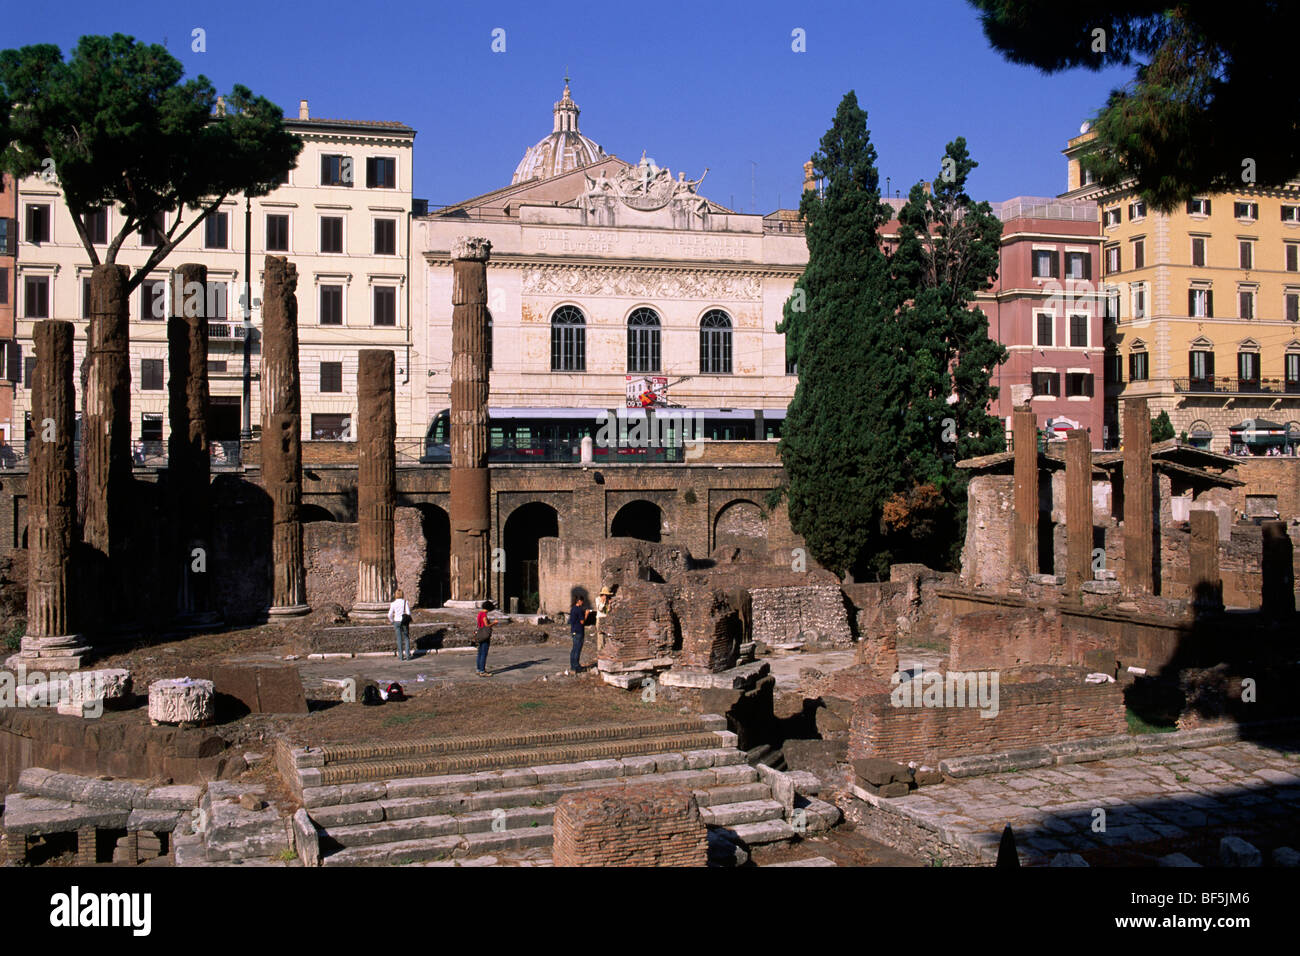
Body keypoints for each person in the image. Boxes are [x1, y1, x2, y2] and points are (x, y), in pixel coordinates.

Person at [387, 589, 413, 661]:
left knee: (399, 639)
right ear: (402, 594)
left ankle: (401, 656)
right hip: (404, 621)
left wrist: (392, 621)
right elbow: (408, 613)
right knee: (406, 638)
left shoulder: (393, 603)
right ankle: (408, 655)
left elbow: (389, 615)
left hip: (396, 621)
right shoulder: (405, 602)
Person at [569, 595, 589, 673]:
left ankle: (573, 666)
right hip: (579, 631)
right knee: (577, 649)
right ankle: (576, 667)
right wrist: (586, 614)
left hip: (573, 631)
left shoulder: (573, 609)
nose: (583, 603)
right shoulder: (579, 610)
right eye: (582, 601)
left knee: (574, 649)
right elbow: (582, 622)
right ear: (579, 601)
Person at [474, 603, 493, 677]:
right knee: (484, 653)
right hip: (484, 636)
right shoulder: (484, 615)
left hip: (479, 635)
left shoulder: (479, 614)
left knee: (480, 653)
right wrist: (494, 623)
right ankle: (482, 671)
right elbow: (486, 625)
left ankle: (478, 669)